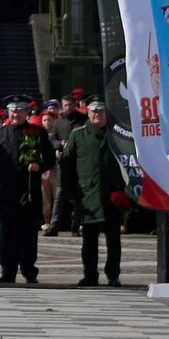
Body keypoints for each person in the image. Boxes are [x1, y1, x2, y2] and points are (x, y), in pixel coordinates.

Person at [64, 100, 131, 288]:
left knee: (114, 241)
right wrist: (69, 192)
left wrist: (126, 190)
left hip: (113, 194)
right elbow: (67, 166)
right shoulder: (78, 135)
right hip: (87, 195)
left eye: (100, 112)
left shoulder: (117, 134)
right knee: (89, 241)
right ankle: (90, 274)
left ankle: (113, 275)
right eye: (93, 112)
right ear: (88, 114)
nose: (97, 115)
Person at [0, 100, 41, 287]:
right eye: (14, 111)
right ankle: (7, 271)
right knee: (6, 235)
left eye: (21, 111)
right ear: (8, 113)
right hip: (4, 193)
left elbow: (47, 157)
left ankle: (29, 270)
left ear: (27, 112)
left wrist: (40, 165)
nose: (17, 114)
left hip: (28, 191)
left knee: (28, 234)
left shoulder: (38, 133)